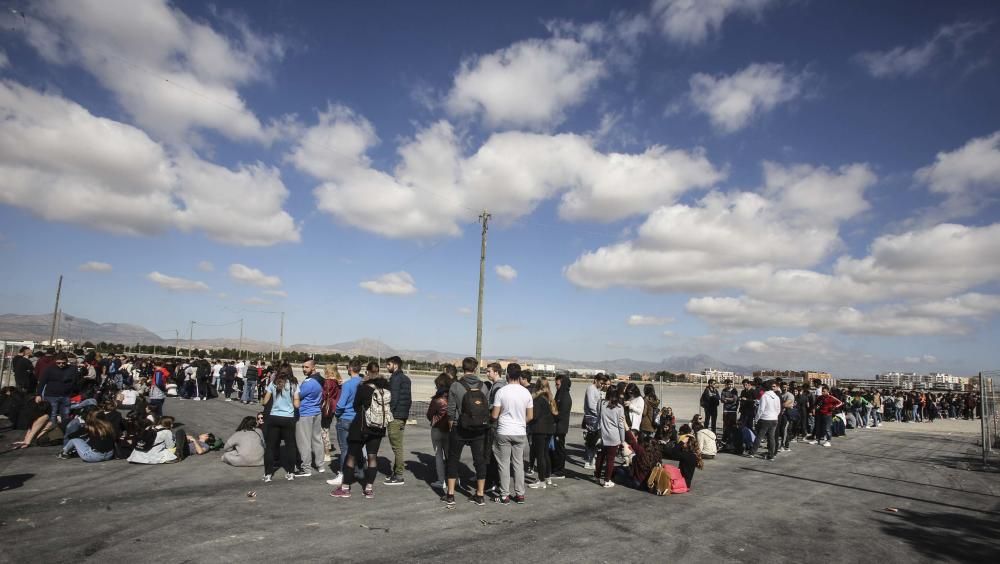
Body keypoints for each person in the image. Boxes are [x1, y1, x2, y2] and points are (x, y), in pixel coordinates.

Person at [331, 362, 391, 499]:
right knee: (372, 457)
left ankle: (345, 487)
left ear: (368, 372)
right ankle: (369, 488)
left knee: (351, 456)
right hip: (378, 427)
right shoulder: (386, 387)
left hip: (361, 425)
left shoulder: (363, 387)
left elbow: (356, 405)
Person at [442, 357, 491, 507]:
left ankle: (450, 495)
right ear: (476, 369)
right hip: (478, 429)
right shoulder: (483, 387)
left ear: (462, 369)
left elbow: (450, 409)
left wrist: (451, 425)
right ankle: (480, 495)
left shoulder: (456, 386)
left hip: (459, 427)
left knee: (453, 459)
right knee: (479, 460)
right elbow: (486, 408)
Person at [490, 364, 533, 505]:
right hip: (520, 432)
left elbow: (495, 415)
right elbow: (530, 416)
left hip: (504, 431)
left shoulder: (501, 392)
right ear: (520, 376)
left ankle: (505, 495)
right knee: (518, 464)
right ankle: (520, 494)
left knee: (503, 464)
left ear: (507, 374)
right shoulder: (526, 392)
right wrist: (521, 422)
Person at [261, 367, 300, 482]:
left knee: (271, 446)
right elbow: (297, 404)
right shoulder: (294, 384)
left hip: (274, 417)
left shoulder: (274, 383)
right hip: (288, 418)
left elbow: (265, 401)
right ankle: (291, 472)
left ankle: (268, 474)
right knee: (290, 445)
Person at [328, 359, 363, 487]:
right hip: (358, 419)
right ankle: (359, 471)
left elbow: (341, 404)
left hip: (346, 418)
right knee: (357, 448)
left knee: (344, 449)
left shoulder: (348, 385)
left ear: (350, 369)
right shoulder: (363, 383)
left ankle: (342, 474)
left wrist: (337, 413)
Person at [295, 359, 326, 476]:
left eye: (306, 367)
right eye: (303, 367)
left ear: (313, 367)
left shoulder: (309, 382)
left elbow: (298, 395)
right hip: (317, 412)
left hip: (305, 414)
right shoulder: (321, 380)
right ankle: (320, 465)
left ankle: (306, 468)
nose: (304, 369)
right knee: (317, 440)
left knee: (304, 442)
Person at [385, 356, 412, 486]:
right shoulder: (406, 379)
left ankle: (399, 475)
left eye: (388, 364)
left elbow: (393, 399)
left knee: (397, 447)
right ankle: (396, 472)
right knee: (398, 445)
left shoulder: (395, 379)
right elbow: (409, 400)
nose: (387, 367)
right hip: (403, 416)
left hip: (395, 417)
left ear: (395, 365)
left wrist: (388, 413)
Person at [527, 377, 558, 490]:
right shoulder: (550, 398)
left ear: (537, 386)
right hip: (549, 429)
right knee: (545, 454)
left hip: (539, 429)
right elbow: (555, 413)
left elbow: (534, 416)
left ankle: (541, 480)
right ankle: (547, 476)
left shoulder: (537, 399)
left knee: (540, 455)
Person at [595, 387, 626, 488]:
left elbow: (598, 416)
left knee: (600, 456)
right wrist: (622, 440)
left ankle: (597, 476)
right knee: (610, 459)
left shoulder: (601, 403)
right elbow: (621, 425)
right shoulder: (619, 408)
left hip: (602, 434)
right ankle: (607, 480)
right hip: (614, 436)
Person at [36, 352, 77, 428]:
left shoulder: (72, 369)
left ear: (66, 361)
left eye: (63, 363)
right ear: (55, 361)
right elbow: (42, 382)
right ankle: (53, 434)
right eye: (58, 363)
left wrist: (72, 392)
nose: (61, 365)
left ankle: (64, 432)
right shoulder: (49, 369)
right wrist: (38, 394)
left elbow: (74, 381)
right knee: (52, 415)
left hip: (66, 396)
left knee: (66, 415)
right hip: (51, 396)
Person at [426, 372, 452, 489]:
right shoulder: (452, 397)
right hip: (450, 429)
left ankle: (441, 481)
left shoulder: (437, 399)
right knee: (451, 456)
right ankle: (455, 479)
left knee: (438, 455)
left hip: (437, 429)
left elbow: (429, 414)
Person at [483, 362, 506, 495]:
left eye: (489, 371)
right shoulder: (499, 386)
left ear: (496, 372)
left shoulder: (498, 387)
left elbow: (494, 406)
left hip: (495, 425)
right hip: (498, 425)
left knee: (492, 455)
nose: (487, 373)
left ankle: (494, 482)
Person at [582, 374, 610, 470]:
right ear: (596, 380)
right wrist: (600, 412)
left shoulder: (596, 390)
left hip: (595, 418)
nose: (602, 385)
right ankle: (588, 461)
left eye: (603, 384)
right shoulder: (591, 388)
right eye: (601, 383)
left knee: (594, 441)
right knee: (591, 440)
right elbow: (591, 405)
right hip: (591, 418)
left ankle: (591, 460)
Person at [752, 380, 781, 460]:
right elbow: (778, 409)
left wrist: (756, 418)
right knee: (771, 437)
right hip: (774, 419)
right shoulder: (776, 397)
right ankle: (771, 455)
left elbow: (761, 409)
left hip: (765, 419)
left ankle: (753, 452)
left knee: (759, 436)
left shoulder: (764, 396)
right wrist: (775, 415)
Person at [551, 373, 573, 478]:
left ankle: (560, 470)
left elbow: (560, 415)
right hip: (556, 427)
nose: (556, 386)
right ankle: (555, 468)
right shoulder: (559, 395)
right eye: (556, 384)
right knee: (555, 449)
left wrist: (553, 416)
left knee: (560, 449)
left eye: (558, 384)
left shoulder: (565, 397)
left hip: (560, 428)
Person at [320, 364, 343, 463]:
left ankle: (327, 453)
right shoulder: (340, 382)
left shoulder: (327, 382)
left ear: (328, 371)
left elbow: (324, 395)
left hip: (328, 407)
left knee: (324, 429)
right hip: (338, 407)